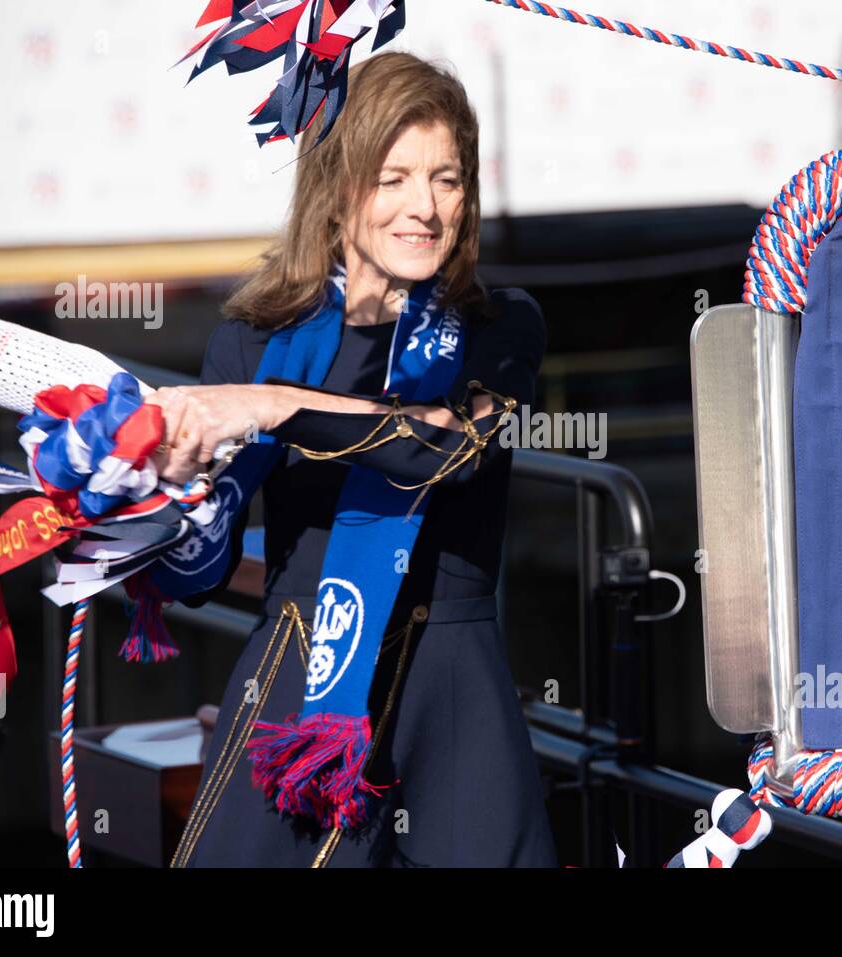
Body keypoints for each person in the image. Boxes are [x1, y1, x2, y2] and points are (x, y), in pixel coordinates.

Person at [147, 51, 557, 868]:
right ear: (338, 187)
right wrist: (160, 495)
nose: (425, 207)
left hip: (454, 702)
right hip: (296, 689)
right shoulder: (254, 337)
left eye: (446, 178)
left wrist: (270, 407)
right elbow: (198, 573)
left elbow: (441, 444)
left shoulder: (502, 325)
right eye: (393, 177)